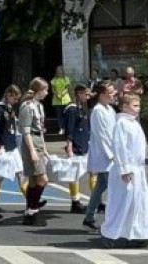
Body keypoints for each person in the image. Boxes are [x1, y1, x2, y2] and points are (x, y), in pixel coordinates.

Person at [100, 93, 148, 248]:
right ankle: (111, 234)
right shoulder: (122, 123)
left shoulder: (133, 123)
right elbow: (120, 147)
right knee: (122, 203)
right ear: (124, 107)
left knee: (137, 204)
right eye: (135, 105)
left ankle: (135, 234)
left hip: (137, 169)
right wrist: (125, 169)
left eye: (139, 105)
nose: (138, 109)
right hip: (127, 169)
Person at [0, 84, 24, 213]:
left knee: (21, 173)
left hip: (12, 147)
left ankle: (32, 202)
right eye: (15, 98)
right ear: (9, 95)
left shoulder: (9, 108)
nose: (16, 101)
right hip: (3, 148)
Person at [83, 80, 116, 230]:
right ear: (102, 94)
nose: (113, 94)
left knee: (100, 186)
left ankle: (89, 216)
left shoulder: (109, 109)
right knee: (114, 188)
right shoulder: (98, 111)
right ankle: (113, 220)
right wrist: (112, 154)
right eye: (110, 91)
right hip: (105, 155)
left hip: (109, 154)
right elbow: (102, 136)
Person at [19, 77, 50, 226]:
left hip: (38, 140)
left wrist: (44, 148)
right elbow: (26, 131)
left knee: (33, 181)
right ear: (38, 90)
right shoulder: (27, 106)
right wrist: (32, 151)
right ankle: (33, 207)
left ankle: (31, 212)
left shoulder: (39, 106)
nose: (47, 93)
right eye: (45, 90)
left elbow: (41, 130)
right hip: (30, 142)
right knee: (42, 179)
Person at [62, 84, 90, 214]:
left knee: (83, 173)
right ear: (79, 93)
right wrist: (69, 146)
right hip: (76, 145)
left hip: (84, 145)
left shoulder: (82, 109)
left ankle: (94, 201)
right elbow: (70, 129)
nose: (87, 97)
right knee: (74, 174)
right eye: (85, 94)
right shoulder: (72, 110)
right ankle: (75, 201)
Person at [51, 66, 73, 131]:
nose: (59, 71)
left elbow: (68, 88)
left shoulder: (66, 79)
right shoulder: (53, 80)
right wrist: (57, 95)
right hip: (57, 100)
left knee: (66, 114)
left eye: (60, 70)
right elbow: (53, 89)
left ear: (62, 71)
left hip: (65, 99)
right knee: (59, 115)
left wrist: (62, 94)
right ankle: (61, 128)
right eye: (58, 70)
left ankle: (67, 128)